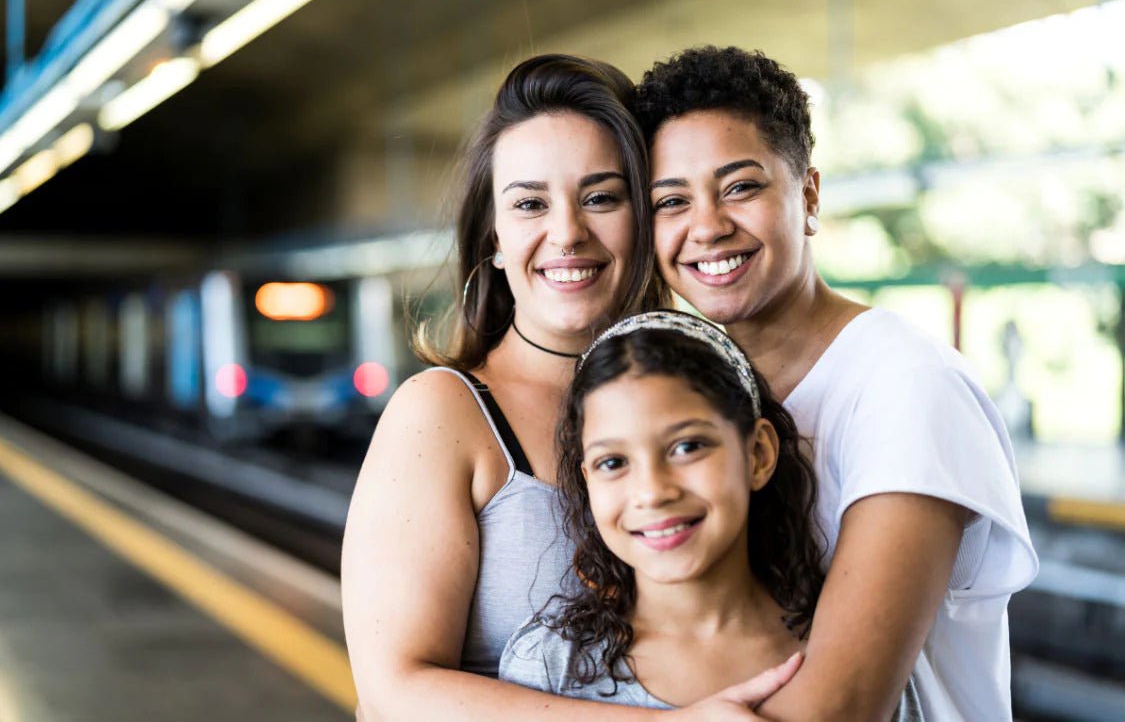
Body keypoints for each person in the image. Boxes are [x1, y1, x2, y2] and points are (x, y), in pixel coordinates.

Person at [342, 54, 799, 722]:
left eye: (601, 197)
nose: (566, 234)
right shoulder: (442, 412)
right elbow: (391, 691)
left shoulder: (717, 391)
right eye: (529, 204)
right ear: (494, 237)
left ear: (644, 214)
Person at [634, 46, 1039, 720]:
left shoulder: (906, 386)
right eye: (671, 201)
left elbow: (841, 706)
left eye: (740, 186)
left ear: (809, 193)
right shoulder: (696, 397)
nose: (706, 226)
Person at [499, 310, 923, 720]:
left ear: (758, 454)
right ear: (588, 479)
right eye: (613, 462)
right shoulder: (550, 664)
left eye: (687, 447)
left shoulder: (846, 664)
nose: (652, 492)